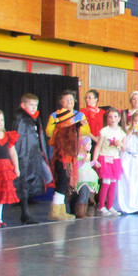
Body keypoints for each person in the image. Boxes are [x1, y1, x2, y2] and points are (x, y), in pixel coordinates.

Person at [45, 90, 90, 221]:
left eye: (71, 99)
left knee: (68, 183)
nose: (69, 102)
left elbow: (86, 131)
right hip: (61, 153)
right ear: (61, 102)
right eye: (66, 100)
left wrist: (80, 126)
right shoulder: (56, 115)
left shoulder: (79, 115)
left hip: (74, 153)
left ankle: (62, 211)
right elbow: (49, 133)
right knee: (62, 180)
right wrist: (61, 127)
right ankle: (55, 211)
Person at [12, 93, 49, 224]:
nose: (34, 107)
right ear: (23, 105)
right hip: (24, 156)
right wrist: (22, 157)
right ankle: (25, 214)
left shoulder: (34, 119)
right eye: (31, 105)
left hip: (34, 155)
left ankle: (26, 212)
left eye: (35, 105)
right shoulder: (21, 119)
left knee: (30, 182)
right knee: (23, 183)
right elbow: (19, 141)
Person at [114, 110, 138, 214]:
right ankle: (124, 205)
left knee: (136, 183)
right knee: (125, 181)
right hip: (127, 157)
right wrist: (131, 131)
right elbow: (124, 142)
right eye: (135, 121)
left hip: (137, 159)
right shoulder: (127, 129)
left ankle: (136, 205)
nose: (137, 123)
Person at [92, 108, 125, 215]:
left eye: (115, 117)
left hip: (115, 159)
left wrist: (120, 144)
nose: (113, 119)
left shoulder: (121, 132)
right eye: (110, 117)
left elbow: (124, 148)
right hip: (105, 158)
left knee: (113, 183)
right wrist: (94, 159)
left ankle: (110, 206)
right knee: (106, 183)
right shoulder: (104, 131)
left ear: (119, 118)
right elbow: (98, 146)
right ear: (107, 119)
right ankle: (101, 206)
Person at [74, 136, 98, 218]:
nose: (90, 146)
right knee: (83, 194)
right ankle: (79, 211)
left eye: (90, 144)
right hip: (82, 177)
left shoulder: (87, 155)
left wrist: (94, 162)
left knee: (87, 195)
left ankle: (84, 211)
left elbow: (88, 164)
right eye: (88, 144)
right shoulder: (79, 155)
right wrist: (83, 160)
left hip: (88, 176)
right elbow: (77, 165)